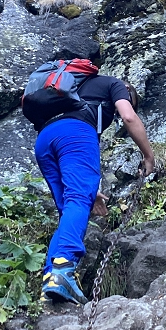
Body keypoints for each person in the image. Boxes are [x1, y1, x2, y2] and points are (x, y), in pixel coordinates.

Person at [35, 70, 156, 305]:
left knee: (68, 209)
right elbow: (129, 117)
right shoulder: (116, 85)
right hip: (75, 134)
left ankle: (50, 280)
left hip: (45, 138)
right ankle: (63, 270)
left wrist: (92, 191)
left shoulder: (77, 90)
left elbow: (78, 162)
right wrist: (148, 156)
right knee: (77, 201)